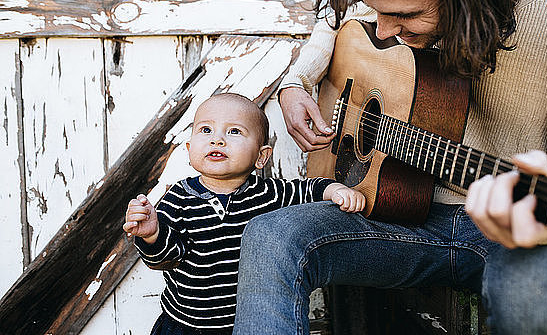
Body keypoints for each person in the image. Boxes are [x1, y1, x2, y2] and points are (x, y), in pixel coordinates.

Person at [233, 0, 547, 334]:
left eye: (406, 14)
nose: (385, 29)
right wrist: (296, 82)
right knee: (272, 235)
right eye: (377, 11)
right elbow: (338, 19)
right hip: (396, 217)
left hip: (520, 233)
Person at [123, 93, 366, 335]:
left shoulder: (270, 194)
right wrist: (152, 235)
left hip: (248, 325)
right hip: (185, 327)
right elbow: (165, 259)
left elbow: (308, 189)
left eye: (234, 132)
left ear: (261, 157)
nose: (217, 140)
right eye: (206, 130)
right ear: (189, 149)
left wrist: (335, 190)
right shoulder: (179, 198)